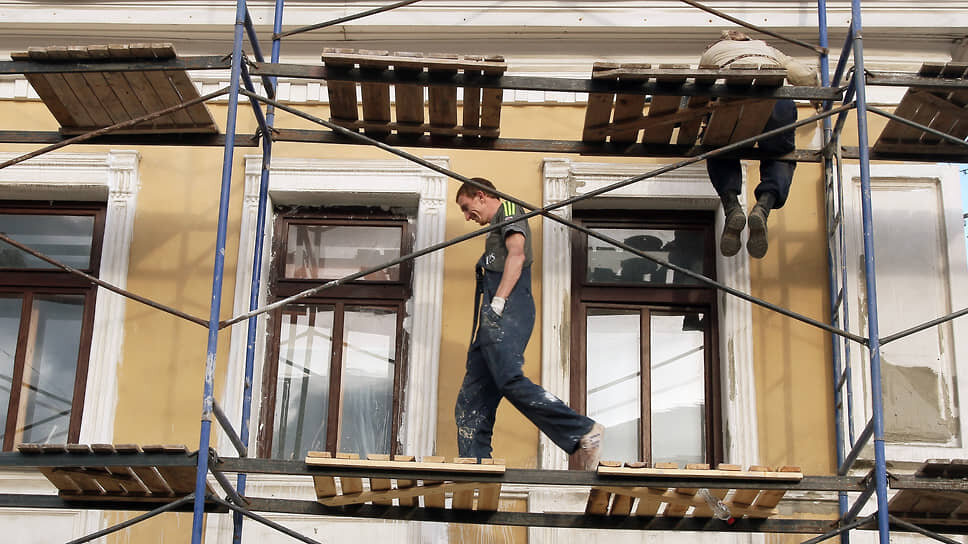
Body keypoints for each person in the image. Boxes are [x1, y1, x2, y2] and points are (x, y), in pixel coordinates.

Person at [454, 177, 604, 469]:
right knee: (471, 400)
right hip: (494, 316)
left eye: (467, 206)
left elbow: (517, 254)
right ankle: (475, 467)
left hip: (507, 309)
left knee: (509, 378)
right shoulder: (494, 227)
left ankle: (584, 431)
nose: (466, 216)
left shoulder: (509, 209)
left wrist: (497, 304)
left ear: (482, 196)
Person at [700, 30, 819, 258]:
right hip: (776, 106)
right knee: (781, 155)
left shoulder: (712, 52)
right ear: (747, 40)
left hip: (730, 105)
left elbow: (702, 86)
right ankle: (763, 207)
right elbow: (804, 77)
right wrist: (818, 101)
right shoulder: (769, 51)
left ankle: (732, 205)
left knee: (719, 149)